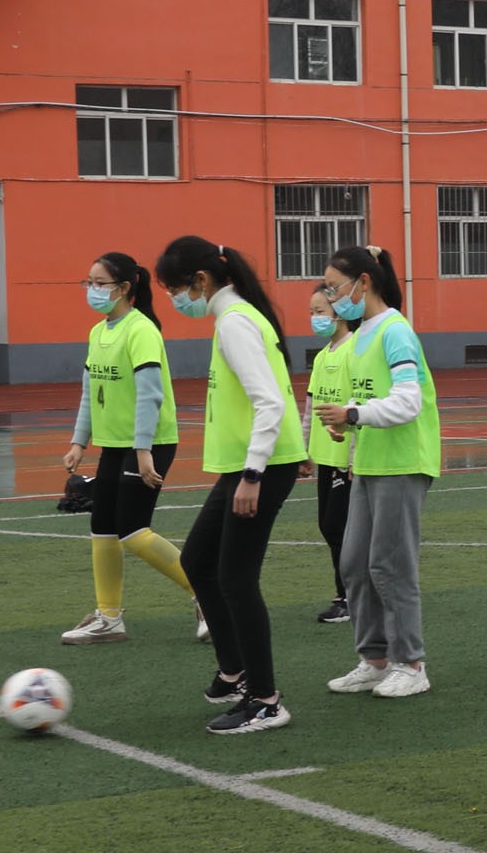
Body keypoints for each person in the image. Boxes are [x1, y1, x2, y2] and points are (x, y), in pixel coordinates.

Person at [157, 236, 307, 735]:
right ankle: (235, 669)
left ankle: (265, 700)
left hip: (257, 470)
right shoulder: (235, 318)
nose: (175, 301)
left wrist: (252, 475)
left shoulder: (236, 322)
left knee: (237, 579)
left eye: (176, 289)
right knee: (197, 561)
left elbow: (270, 402)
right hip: (252, 466)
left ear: (201, 281)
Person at [58, 251, 200, 646]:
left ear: (123, 288)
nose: (91, 290)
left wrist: (142, 449)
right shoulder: (98, 332)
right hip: (117, 445)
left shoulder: (141, 331)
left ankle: (207, 595)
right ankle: (108, 618)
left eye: (99, 283)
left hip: (150, 444)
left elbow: (150, 397)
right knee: (102, 529)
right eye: (88, 282)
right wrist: (78, 442)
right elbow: (91, 393)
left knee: (133, 531)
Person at [320, 245, 442, 700]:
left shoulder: (395, 331)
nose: (332, 298)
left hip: (403, 463)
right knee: (354, 564)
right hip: (370, 463)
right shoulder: (359, 336)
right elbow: (369, 402)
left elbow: (407, 402)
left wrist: (353, 414)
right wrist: (346, 427)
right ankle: (374, 659)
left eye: (335, 287)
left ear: (363, 282)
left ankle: (411, 663)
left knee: (390, 566)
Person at [302, 281, 355, 625]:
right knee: (328, 525)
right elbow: (310, 407)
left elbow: (358, 407)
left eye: (320, 312)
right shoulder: (322, 356)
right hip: (324, 458)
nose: (315, 318)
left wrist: (353, 458)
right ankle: (348, 593)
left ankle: (350, 596)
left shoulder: (355, 352)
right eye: (312, 312)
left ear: (340, 313)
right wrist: (303, 450)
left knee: (339, 526)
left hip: (346, 460)